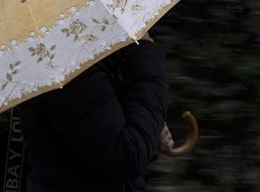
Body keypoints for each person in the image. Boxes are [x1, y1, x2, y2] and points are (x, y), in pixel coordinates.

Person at [17, 32, 173, 192]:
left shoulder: (86, 50)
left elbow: (105, 118)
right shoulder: (63, 61)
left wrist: (149, 123)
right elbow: (127, 155)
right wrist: (144, 48)